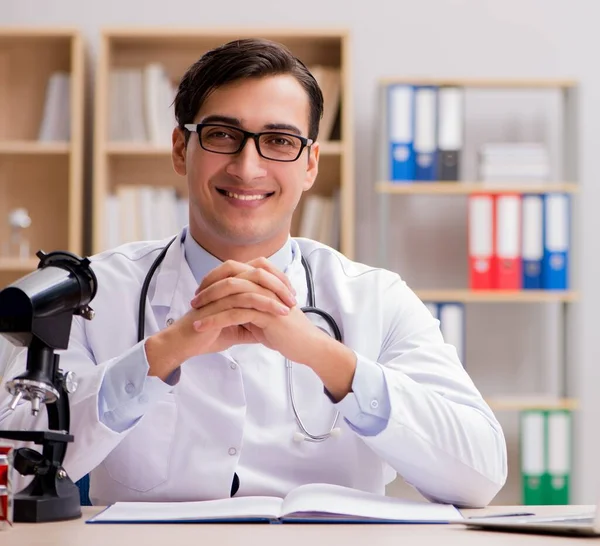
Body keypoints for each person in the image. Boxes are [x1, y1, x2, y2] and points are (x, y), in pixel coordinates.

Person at [0, 38, 507, 507]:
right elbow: (12, 475)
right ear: (181, 149)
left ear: (310, 164)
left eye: (280, 141)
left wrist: (326, 359)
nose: (247, 167)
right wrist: (163, 353)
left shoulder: (375, 297)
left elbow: (480, 475)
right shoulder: (94, 291)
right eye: (223, 135)